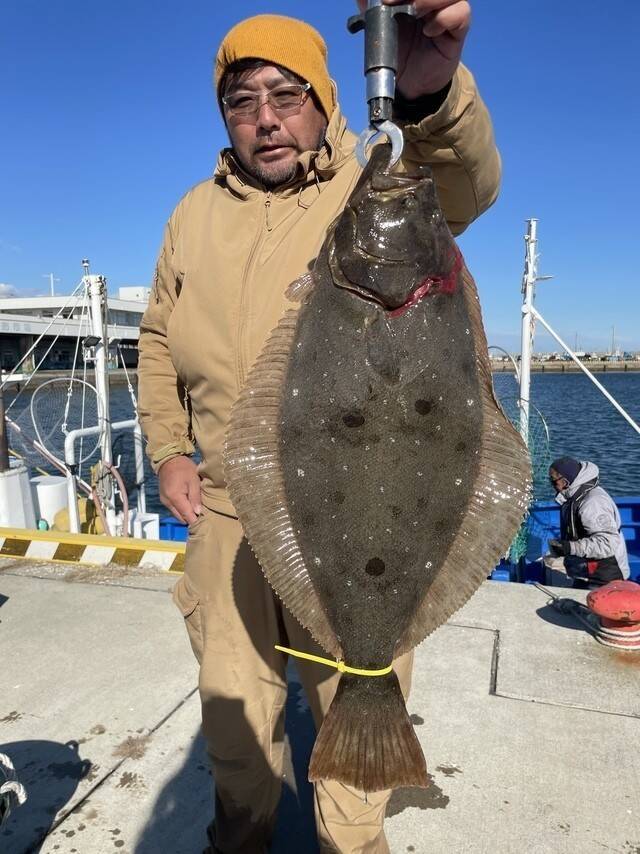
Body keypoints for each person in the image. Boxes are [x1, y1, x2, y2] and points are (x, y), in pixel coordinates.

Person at [138, 3, 501, 851]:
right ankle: (241, 832)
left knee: (355, 707)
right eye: (241, 100)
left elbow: (467, 182)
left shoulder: (373, 183)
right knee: (235, 719)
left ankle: (354, 841)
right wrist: (165, 448)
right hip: (228, 509)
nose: (265, 118)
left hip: (357, 514)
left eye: (286, 94)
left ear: (326, 99)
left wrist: (432, 91)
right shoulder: (192, 213)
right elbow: (158, 337)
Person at [548, 456, 629, 588]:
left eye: (553, 481)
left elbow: (607, 544)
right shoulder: (573, 497)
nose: (552, 485)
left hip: (604, 576)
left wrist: (570, 547)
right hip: (585, 572)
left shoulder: (593, 503)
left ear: (566, 481)